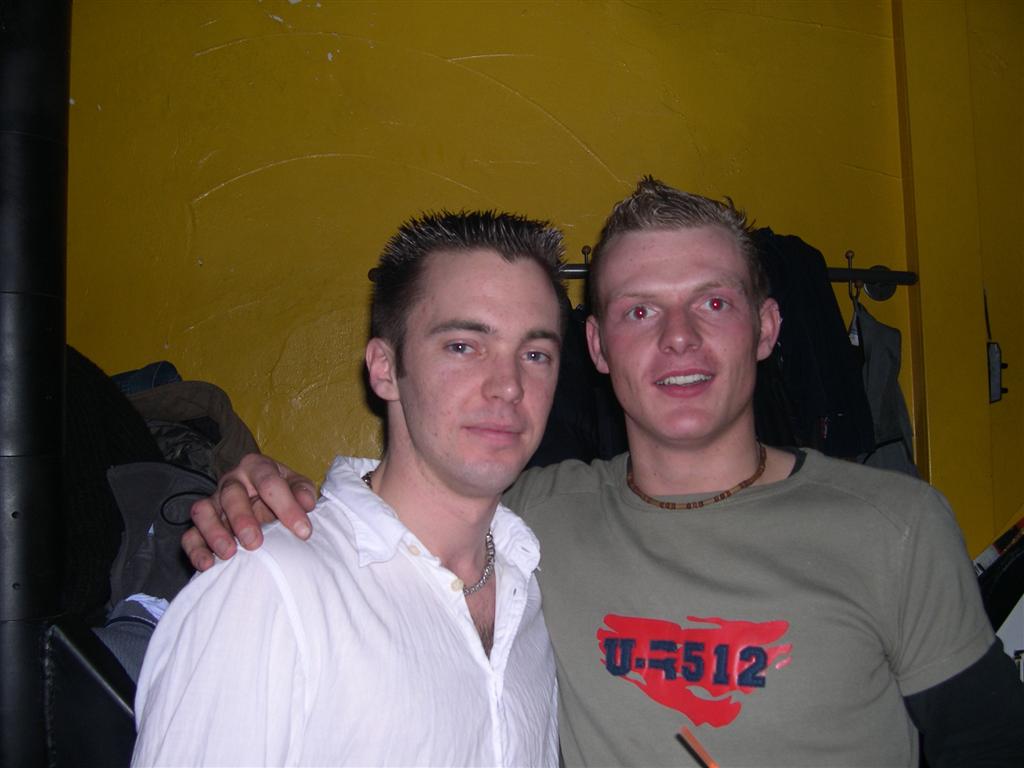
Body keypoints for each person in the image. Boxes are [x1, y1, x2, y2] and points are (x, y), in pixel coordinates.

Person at [186, 178, 1024, 767]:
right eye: (639, 310)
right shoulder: (532, 520)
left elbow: (990, 745)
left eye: (714, 302)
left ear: (768, 328)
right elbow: (412, 496)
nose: (679, 338)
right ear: (596, 346)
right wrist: (265, 492)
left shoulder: (897, 525)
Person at [132, 211, 567, 766]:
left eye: (535, 354)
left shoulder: (528, 590)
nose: (509, 386)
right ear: (384, 368)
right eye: (463, 346)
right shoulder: (269, 586)